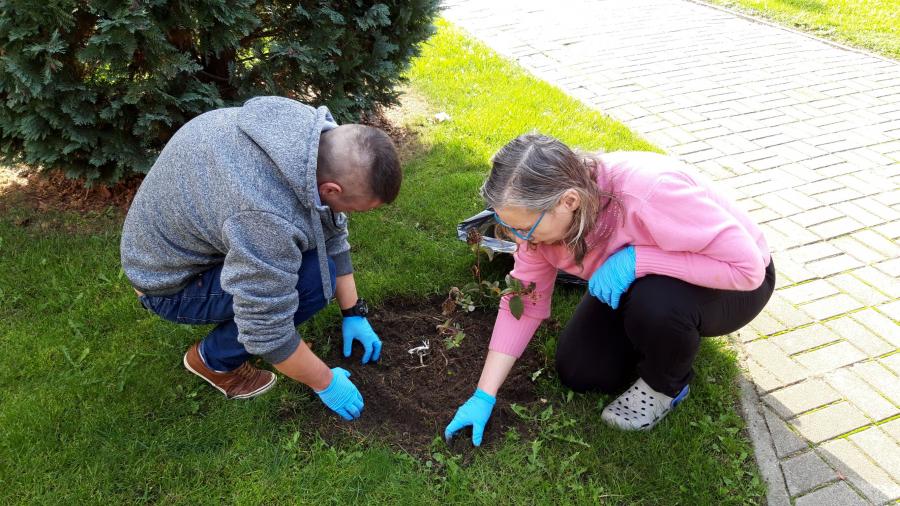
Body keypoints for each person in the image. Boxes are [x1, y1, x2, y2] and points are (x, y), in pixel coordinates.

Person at [445, 133, 774, 445]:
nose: (520, 239)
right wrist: (483, 394)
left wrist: (637, 261)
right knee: (581, 370)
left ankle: (666, 384)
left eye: (524, 228)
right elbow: (525, 302)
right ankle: (660, 335)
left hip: (732, 283)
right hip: (646, 279)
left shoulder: (649, 192)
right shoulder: (539, 227)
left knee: (655, 306)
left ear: (569, 201)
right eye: (509, 226)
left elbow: (748, 270)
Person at [120, 96, 401, 421]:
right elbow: (266, 328)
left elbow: (330, 227)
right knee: (312, 281)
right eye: (353, 208)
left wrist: (354, 312)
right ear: (331, 190)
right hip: (168, 284)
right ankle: (213, 360)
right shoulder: (265, 217)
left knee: (312, 261)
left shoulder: (309, 138)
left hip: (188, 235)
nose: (349, 216)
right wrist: (326, 382)